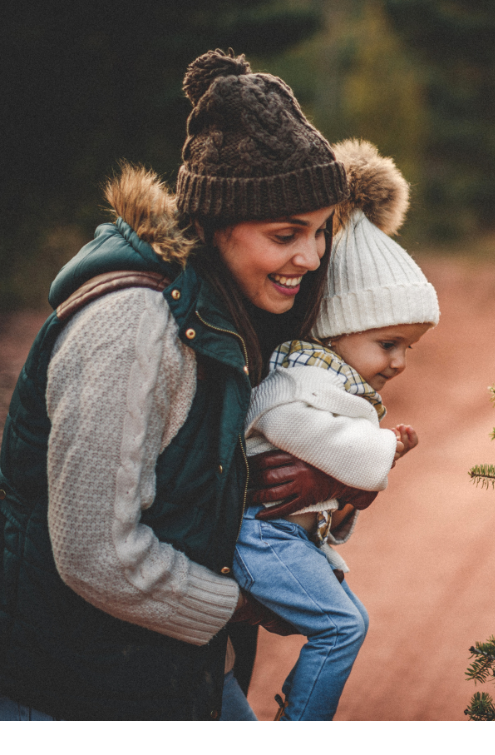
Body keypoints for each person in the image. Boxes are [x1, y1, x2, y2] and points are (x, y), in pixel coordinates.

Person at [0, 49, 369, 720]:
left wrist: (331, 484)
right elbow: (96, 553)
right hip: (69, 691)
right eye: (287, 234)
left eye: (321, 232)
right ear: (213, 223)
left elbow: (215, 491)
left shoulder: (238, 312)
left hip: (176, 673)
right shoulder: (132, 324)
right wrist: (241, 605)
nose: (312, 257)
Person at [233, 139, 437, 721]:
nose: (399, 362)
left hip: (285, 538)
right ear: (337, 326)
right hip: (262, 538)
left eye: (408, 348)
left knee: (349, 621)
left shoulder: (334, 381)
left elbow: (330, 471)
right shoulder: (301, 376)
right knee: (342, 626)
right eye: (389, 344)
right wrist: (377, 448)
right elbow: (280, 418)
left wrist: (349, 483)